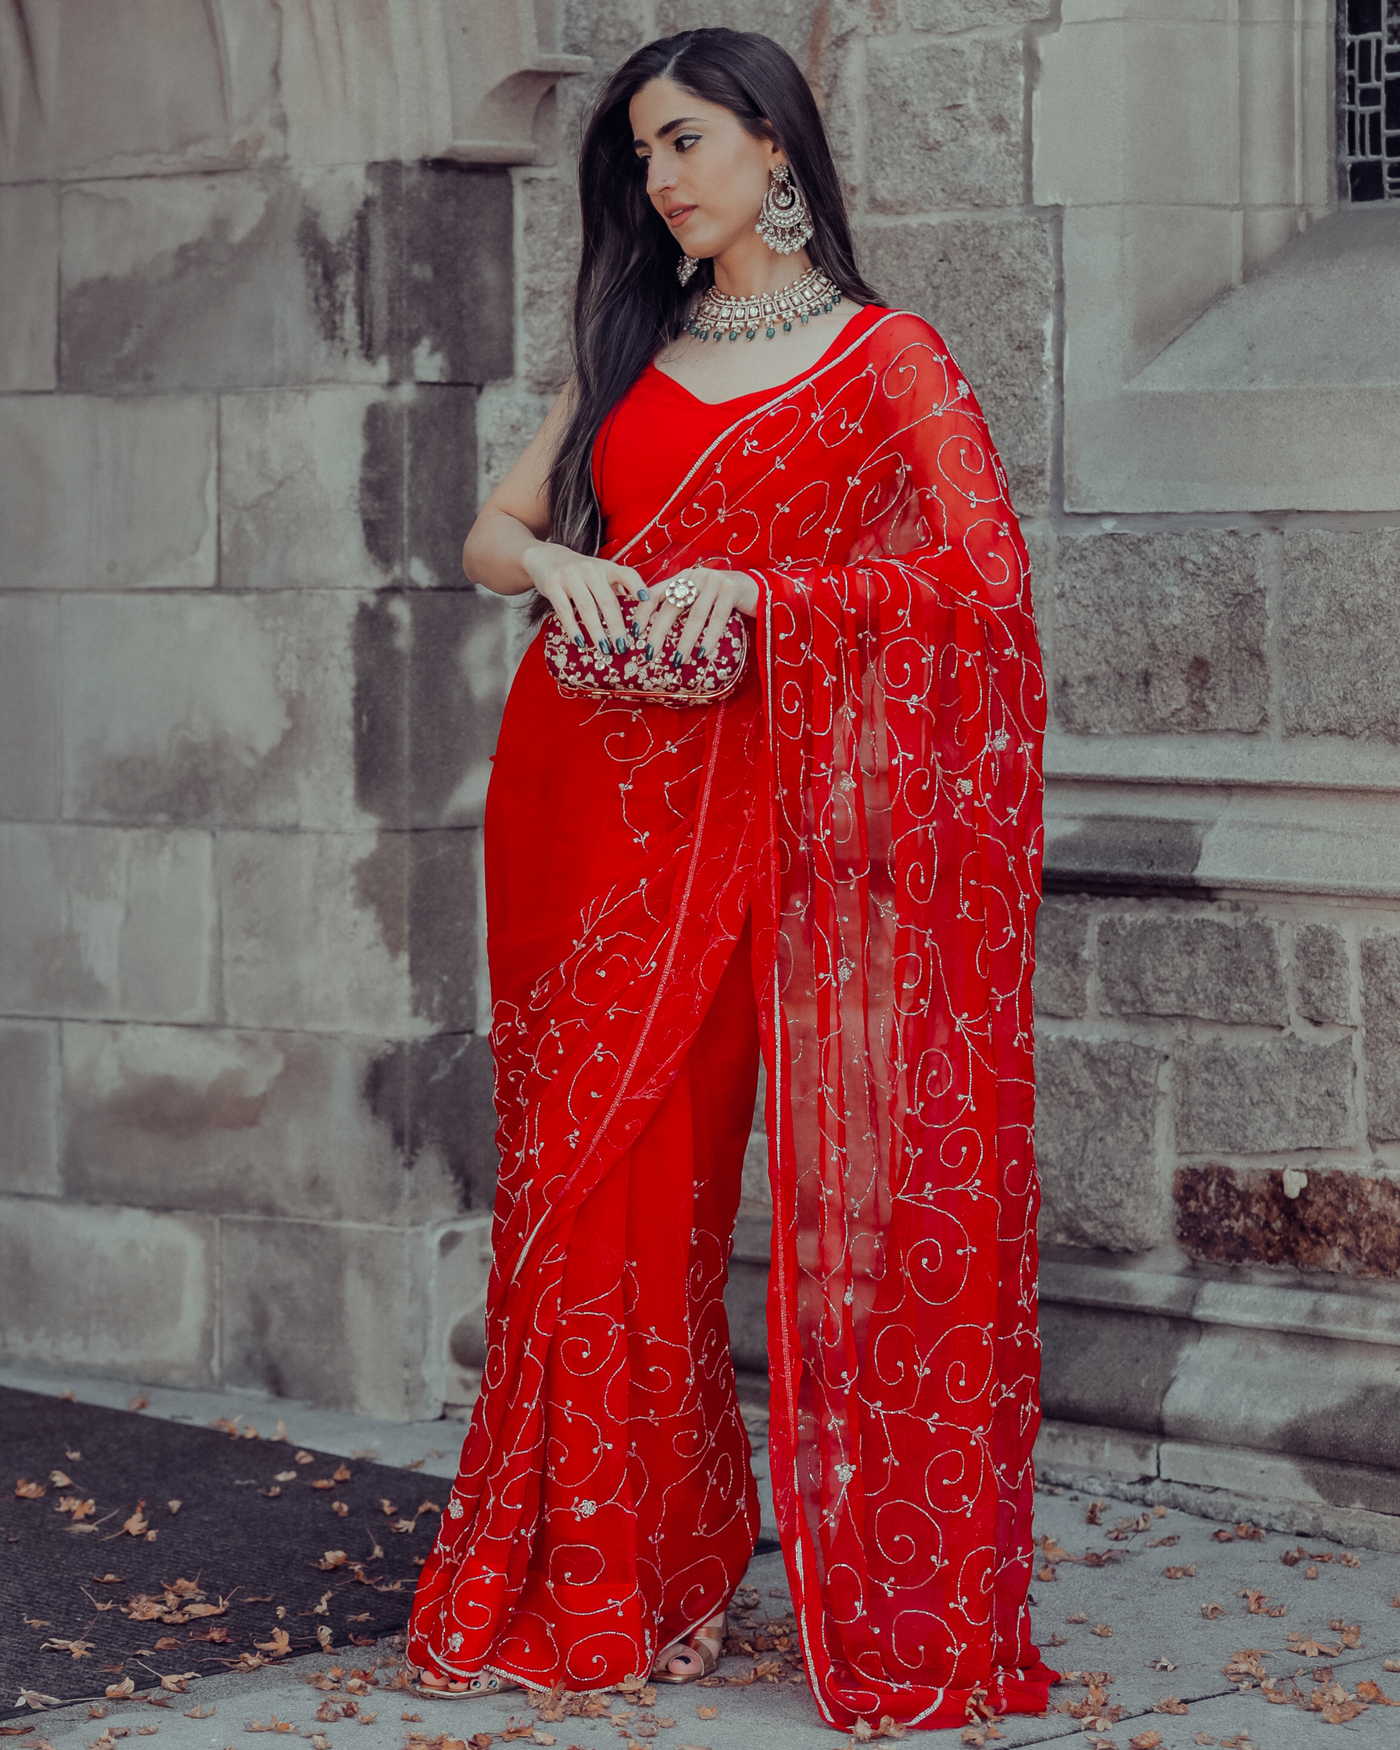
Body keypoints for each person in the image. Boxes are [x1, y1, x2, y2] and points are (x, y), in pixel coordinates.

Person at [406, 25, 1054, 1733]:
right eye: (639, 155)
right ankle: (624, 1573)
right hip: (574, 800)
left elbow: (982, 573)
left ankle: (758, 1568)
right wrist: (557, 563)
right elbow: (487, 533)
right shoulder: (631, 343)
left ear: (777, 143)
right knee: (593, 1193)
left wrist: (773, 598)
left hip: (762, 819)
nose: (660, 179)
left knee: (752, 1184)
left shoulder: (885, 355)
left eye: (684, 141)